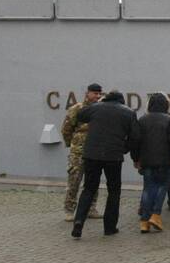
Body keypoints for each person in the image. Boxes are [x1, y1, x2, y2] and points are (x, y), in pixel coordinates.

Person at [71, 91, 140, 239]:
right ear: (121, 101)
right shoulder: (128, 112)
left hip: (91, 155)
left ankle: (78, 221)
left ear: (106, 98)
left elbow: (80, 115)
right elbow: (135, 137)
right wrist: (125, 149)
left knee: (88, 188)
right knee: (114, 191)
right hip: (114, 156)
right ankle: (109, 227)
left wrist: (97, 102)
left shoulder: (96, 107)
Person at [132, 93, 170, 234]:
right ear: (166, 105)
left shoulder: (142, 120)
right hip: (164, 160)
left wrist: (136, 158)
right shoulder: (169, 120)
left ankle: (144, 221)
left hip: (146, 160)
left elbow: (135, 140)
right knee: (162, 186)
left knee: (148, 188)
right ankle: (155, 215)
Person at [60, 82, 103, 221]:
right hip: (78, 153)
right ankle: (69, 210)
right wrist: (72, 144)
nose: (97, 96)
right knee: (74, 181)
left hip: (95, 151)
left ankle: (91, 208)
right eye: (94, 93)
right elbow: (66, 129)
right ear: (87, 93)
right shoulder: (77, 109)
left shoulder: (101, 110)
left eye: (99, 94)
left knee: (93, 182)